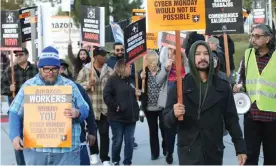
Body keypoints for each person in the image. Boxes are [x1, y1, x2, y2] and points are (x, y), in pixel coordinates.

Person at [164, 41, 247, 165]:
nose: (202, 57)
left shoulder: (223, 87)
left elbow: (232, 120)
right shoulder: (180, 86)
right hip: (189, 151)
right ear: (192, 57)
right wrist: (173, 114)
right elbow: (166, 120)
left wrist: (240, 148)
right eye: (198, 54)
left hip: (213, 151)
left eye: (205, 53)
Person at [8, 46, 89, 165]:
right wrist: (15, 136)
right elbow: (14, 112)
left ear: (58, 68)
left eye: (54, 69)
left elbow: (85, 108)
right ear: (40, 68)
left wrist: (78, 113)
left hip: (66, 151)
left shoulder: (70, 85)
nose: (50, 72)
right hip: (37, 150)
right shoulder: (29, 86)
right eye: (46, 69)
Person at [233, 24, 276, 165]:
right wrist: (239, 86)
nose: (253, 39)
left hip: (272, 116)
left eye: (257, 36)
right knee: (250, 156)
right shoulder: (248, 54)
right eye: (252, 36)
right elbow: (242, 78)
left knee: (271, 156)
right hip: (251, 114)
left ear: (268, 38)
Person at [1, 47, 38, 165]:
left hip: (35, 109)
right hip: (17, 111)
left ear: (27, 56)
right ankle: (21, 163)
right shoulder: (9, 71)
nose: (18, 56)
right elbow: (1, 88)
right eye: (16, 55)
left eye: (20, 54)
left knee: (35, 138)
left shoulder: (36, 69)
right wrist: (9, 89)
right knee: (18, 138)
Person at [77, 47, 113, 165]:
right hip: (91, 107)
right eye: (103, 55)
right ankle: (93, 153)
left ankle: (105, 158)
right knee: (92, 132)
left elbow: (114, 85)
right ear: (96, 57)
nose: (105, 57)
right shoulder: (85, 70)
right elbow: (77, 87)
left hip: (104, 107)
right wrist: (88, 84)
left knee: (104, 133)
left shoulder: (109, 71)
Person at [59, 59, 97, 165]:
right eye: (58, 68)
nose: (61, 71)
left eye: (63, 68)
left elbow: (88, 110)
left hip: (78, 139)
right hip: (54, 142)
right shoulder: (43, 89)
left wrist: (92, 131)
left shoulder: (76, 88)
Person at [103, 59, 140, 165]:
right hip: (117, 117)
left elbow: (135, 93)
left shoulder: (131, 80)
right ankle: (115, 160)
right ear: (122, 67)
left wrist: (138, 92)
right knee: (117, 140)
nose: (131, 68)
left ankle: (127, 162)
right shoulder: (112, 80)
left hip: (131, 117)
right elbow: (106, 96)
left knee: (129, 141)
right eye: (129, 66)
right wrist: (117, 107)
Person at [157, 46, 189, 164]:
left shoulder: (187, 68)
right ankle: (169, 152)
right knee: (169, 130)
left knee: (183, 130)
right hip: (168, 103)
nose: (170, 56)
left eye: (173, 54)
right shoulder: (166, 67)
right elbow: (158, 81)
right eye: (169, 54)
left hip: (183, 103)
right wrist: (165, 69)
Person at [105, 42, 138, 147]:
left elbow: (133, 76)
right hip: (116, 101)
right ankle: (116, 160)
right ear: (114, 51)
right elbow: (107, 93)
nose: (120, 52)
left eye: (121, 50)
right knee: (117, 139)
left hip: (129, 95)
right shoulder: (109, 62)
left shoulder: (130, 60)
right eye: (117, 50)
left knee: (129, 138)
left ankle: (130, 142)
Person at [138, 50, 166, 160]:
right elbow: (140, 89)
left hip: (161, 105)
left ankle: (166, 149)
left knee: (164, 128)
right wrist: (141, 79)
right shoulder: (143, 72)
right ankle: (154, 153)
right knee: (152, 130)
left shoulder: (161, 71)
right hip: (149, 106)